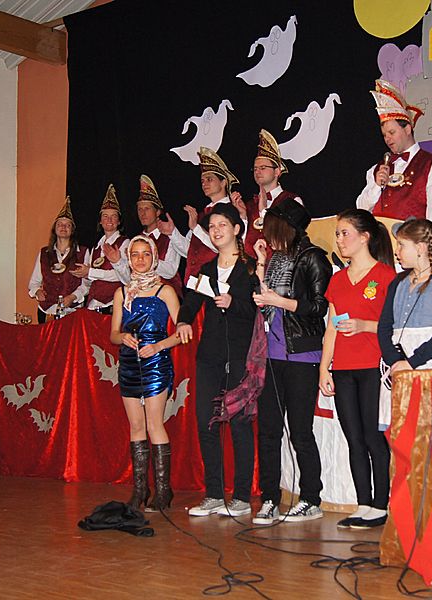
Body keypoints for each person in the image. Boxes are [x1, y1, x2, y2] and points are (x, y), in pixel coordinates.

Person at [176, 204, 261, 519]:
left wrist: (233, 302)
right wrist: (183, 321)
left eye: (222, 225)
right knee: (206, 422)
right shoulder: (206, 269)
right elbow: (191, 301)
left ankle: (240, 497)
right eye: (211, 227)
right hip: (210, 355)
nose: (216, 231)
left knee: (239, 423)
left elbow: (258, 310)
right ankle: (213, 493)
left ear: (237, 229)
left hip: (239, 355)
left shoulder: (251, 268)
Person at [251, 198, 332, 525]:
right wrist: (260, 264)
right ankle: (269, 498)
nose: (268, 237)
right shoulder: (276, 259)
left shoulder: (314, 258)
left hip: (302, 354)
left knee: (300, 432)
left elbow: (319, 307)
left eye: (273, 229)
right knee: (269, 431)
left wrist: (280, 300)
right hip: (272, 353)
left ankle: (311, 498)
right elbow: (265, 299)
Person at [319, 209, 396, 529]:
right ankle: (363, 502)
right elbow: (331, 328)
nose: (339, 240)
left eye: (345, 233)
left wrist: (365, 325)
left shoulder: (386, 276)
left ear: (365, 237)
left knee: (373, 437)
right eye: (337, 234)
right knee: (353, 438)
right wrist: (324, 369)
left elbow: (394, 327)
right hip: (344, 368)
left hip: (372, 367)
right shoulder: (337, 280)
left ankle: (381, 504)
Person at [109, 235, 181, 512]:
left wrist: (159, 346)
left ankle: (163, 491)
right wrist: (123, 337)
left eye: (146, 254)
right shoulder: (121, 293)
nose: (140, 259)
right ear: (129, 259)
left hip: (156, 363)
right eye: (135, 254)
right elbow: (113, 334)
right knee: (136, 426)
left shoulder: (165, 291)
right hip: (129, 364)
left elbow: (182, 332)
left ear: (154, 257)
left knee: (154, 424)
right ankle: (140, 489)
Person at [377, 218, 432, 428]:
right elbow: (384, 326)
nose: (397, 251)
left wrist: (412, 362)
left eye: (402, 245)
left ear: (420, 248)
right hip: (398, 366)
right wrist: (395, 360)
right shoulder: (397, 283)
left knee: (430, 427)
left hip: (430, 364)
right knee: (400, 430)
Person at [356, 79, 432, 234]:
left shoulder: (431, 165)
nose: (387, 139)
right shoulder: (377, 169)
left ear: (407, 129)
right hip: (379, 244)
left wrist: (426, 245)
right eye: (384, 135)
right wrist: (376, 186)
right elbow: (361, 210)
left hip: (412, 245)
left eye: (392, 132)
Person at [179, 147, 248, 281]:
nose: (204, 184)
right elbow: (189, 250)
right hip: (195, 281)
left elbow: (225, 246)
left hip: (218, 279)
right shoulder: (201, 214)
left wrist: (196, 228)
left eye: (209, 179)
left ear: (223, 182)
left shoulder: (232, 210)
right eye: (202, 181)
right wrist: (172, 233)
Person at [28, 196, 90, 323]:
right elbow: (33, 283)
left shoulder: (83, 253)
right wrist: (37, 291)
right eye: (60, 224)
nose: (63, 227)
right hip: (47, 311)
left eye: (67, 225)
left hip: (72, 312)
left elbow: (87, 284)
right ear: (54, 229)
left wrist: (72, 297)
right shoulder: (44, 253)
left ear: (72, 230)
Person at [243, 129, 304, 258]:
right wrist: (242, 217)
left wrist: (263, 211)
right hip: (251, 267)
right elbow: (244, 243)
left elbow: (291, 239)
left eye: (263, 168)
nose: (257, 172)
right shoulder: (249, 205)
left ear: (277, 172)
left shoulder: (292, 201)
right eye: (255, 169)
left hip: (279, 267)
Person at [71, 184, 127, 315]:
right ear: (100, 221)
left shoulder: (125, 243)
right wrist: (84, 274)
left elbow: (120, 276)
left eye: (113, 216)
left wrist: (90, 272)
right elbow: (91, 280)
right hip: (93, 306)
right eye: (105, 216)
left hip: (112, 306)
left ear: (119, 221)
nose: (109, 219)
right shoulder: (96, 247)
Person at [130, 175, 184, 295]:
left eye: (147, 209)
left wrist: (146, 259)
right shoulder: (136, 241)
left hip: (166, 296)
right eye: (140, 209)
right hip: (141, 295)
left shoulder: (169, 236)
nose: (143, 213)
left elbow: (171, 271)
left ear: (158, 212)